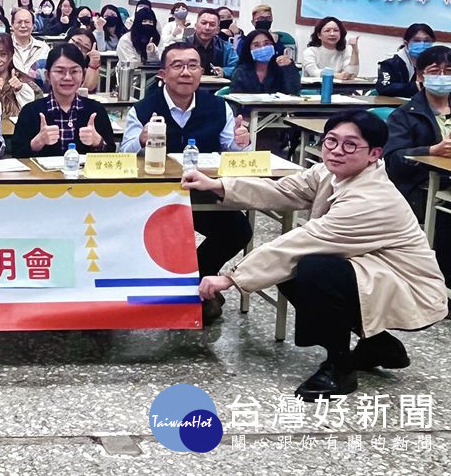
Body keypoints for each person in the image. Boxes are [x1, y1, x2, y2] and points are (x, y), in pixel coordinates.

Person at [183, 110, 447, 400]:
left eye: (350, 145)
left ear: (374, 154)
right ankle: (378, 344)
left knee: (314, 269)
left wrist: (231, 278)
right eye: (331, 140)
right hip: (373, 272)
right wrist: (218, 185)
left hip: (408, 287)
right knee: (292, 269)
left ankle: (339, 368)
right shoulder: (329, 172)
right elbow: (283, 190)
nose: (336, 150)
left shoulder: (371, 198)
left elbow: (304, 241)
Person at [121, 42, 253, 324]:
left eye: (193, 66)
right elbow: (123, 154)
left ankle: (197, 284)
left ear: (201, 72)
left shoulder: (218, 107)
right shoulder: (143, 109)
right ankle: (186, 291)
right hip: (153, 197)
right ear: (162, 73)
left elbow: (233, 152)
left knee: (238, 230)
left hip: (203, 192)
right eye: (177, 66)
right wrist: (141, 140)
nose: (186, 72)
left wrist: (242, 142)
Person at [384, 45, 451, 287]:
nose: (442, 77)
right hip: (422, 189)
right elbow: (392, 160)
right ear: (420, 76)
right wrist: (430, 151)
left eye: (449, 71)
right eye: (435, 71)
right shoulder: (404, 115)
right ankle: (443, 288)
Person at [12, 44, 115, 158]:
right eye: (60, 71)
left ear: (83, 75)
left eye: (74, 71)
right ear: (47, 75)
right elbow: (16, 153)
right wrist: (37, 143)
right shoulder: (30, 111)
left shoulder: (96, 110)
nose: (67, 77)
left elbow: (112, 153)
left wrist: (98, 142)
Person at [0, 33, 40, 117]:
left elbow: (35, 113)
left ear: (11, 56)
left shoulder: (26, 81)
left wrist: (21, 89)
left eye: (3, 54)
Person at [229, 29, 301, 95]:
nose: (262, 48)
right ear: (249, 50)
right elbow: (236, 98)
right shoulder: (241, 72)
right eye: (256, 45)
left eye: (266, 44)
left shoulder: (281, 67)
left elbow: (293, 92)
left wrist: (289, 68)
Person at [376, 23, 436, 98]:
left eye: (427, 41)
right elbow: (384, 87)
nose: (422, 44)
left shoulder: (437, 63)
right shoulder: (390, 64)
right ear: (406, 44)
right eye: (417, 41)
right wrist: (417, 86)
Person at [180, 9, 238, 77]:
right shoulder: (182, 45)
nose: (207, 28)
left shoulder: (226, 47)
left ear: (217, 30)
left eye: (212, 25)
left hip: (217, 83)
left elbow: (238, 68)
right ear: (195, 26)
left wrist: (224, 71)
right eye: (203, 23)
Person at [11, 8, 50, 80]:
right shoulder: (4, 46)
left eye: (27, 22)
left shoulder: (44, 48)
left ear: (33, 26)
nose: (23, 25)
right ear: (12, 25)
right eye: (19, 22)